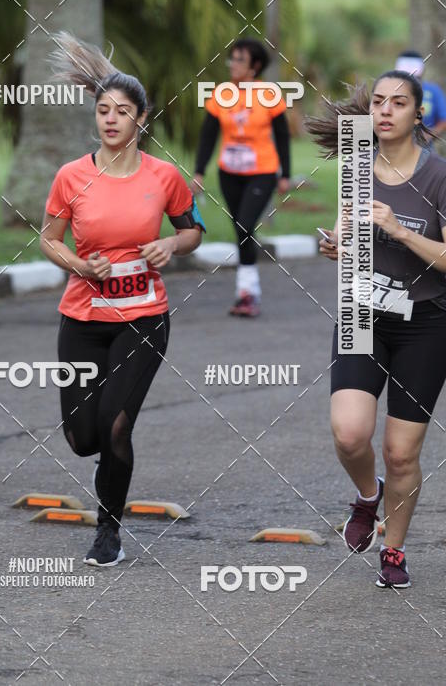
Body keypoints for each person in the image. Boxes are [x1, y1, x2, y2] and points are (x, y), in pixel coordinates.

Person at [41, 32, 205, 567]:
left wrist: (171, 243)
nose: (110, 119)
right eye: (103, 110)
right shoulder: (72, 176)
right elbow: (49, 239)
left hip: (143, 318)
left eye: (122, 112)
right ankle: (104, 467)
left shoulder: (164, 177)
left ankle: (108, 531)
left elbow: (193, 231)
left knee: (116, 424)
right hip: (82, 318)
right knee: (81, 437)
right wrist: (80, 266)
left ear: (142, 120)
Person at [305, 71, 446, 588]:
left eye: (399, 103)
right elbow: (348, 230)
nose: (385, 110)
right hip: (362, 313)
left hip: (427, 324)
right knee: (349, 434)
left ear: (417, 115)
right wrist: (337, 244)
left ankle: (394, 550)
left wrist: (397, 229)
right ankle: (369, 495)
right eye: (379, 102)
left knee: (402, 450)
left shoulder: (438, 178)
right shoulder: (357, 167)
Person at [191, 38, 291, 317]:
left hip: (262, 172)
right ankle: (246, 293)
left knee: (246, 225)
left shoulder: (268, 95)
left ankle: (249, 290)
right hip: (229, 173)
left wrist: (286, 174)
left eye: (239, 60)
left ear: (254, 67)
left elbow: (282, 136)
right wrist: (199, 171)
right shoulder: (221, 95)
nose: (232, 65)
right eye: (231, 59)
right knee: (240, 228)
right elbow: (208, 136)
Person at [395, 50, 446, 144]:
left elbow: (444, 119)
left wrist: (428, 135)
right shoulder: (390, 89)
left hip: (424, 148)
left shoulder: (433, 91)